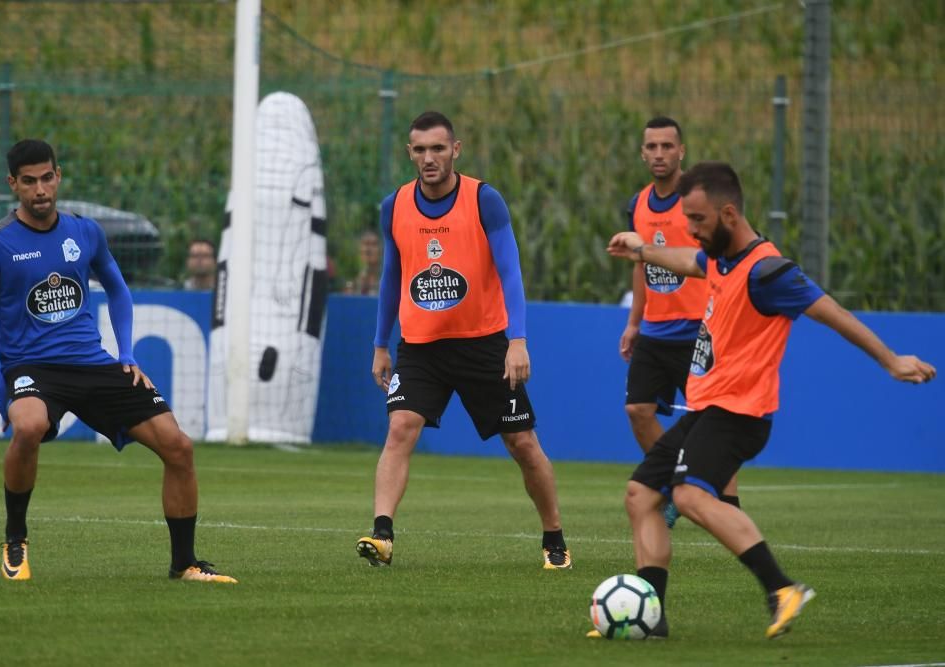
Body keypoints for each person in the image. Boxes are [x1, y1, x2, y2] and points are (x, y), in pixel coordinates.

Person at [602, 161, 935, 638]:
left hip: (739, 413)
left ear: (730, 214)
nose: (690, 229)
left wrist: (890, 360)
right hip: (707, 409)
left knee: (691, 496)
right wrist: (641, 249)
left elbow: (832, 312)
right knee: (641, 497)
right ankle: (651, 619)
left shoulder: (769, 271)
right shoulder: (717, 256)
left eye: (697, 220)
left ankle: (782, 588)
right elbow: (682, 260)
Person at [0, 139, 236, 583]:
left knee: (179, 447)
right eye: (28, 181)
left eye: (47, 178)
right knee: (28, 426)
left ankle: (184, 563)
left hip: (93, 363)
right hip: (33, 368)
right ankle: (15, 539)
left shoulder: (85, 232)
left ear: (58, 175)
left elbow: (119, 289)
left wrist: (125, 353)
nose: (40, 189)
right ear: (14, 185)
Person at [355, 111, 571, 570]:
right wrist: (380, 343)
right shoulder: (394, 205)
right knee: (400, 428)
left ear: (456, 149)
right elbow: (392, 277)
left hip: (484, 345)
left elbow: (510, 272)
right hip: (421, 347)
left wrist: (518, 340)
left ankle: (554, 537)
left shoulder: (484, 199)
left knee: (523, 445)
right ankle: (382, 534)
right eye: (419, 149)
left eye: (438, 148)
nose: (428, 158)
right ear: (409, 153)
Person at [620, 117, 738, 528]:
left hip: (698, 327)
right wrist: (634, 322)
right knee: (638, 408)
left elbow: (724, 256)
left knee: (714, 417)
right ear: (642, 152)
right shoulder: (637, 204)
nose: (658, 154)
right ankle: (673, 484)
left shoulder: (698, 200)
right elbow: (640, 263)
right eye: (651, 146)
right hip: (654, 328)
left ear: (681, 151)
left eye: (667, 146)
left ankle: (730, 503)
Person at [342, 229, 381, 296]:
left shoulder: (385, 278)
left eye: (373, 244)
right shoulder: (351, 279)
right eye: (365, 244)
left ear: (380, 249)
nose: (368, 249)